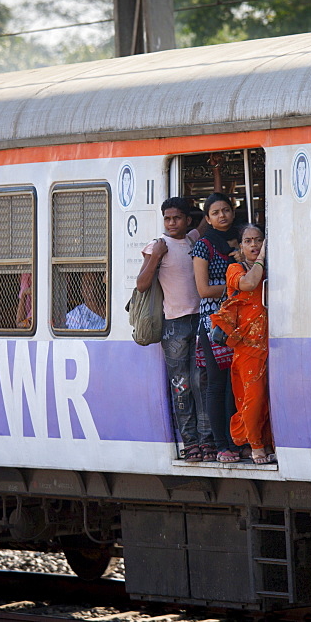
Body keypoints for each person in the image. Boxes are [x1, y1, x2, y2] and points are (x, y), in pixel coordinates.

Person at [136, 197, 213, 462]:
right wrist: (156, 256)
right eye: (167, 218)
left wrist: (218, 178)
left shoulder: (192, 240)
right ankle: (190, 442)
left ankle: (207, 440)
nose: (171, 223)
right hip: (175, 326)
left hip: (200, 320)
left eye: (177, 218)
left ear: (187, 220)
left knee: (200, 382)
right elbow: (142, 284)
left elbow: (207, 219)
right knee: (182, 385)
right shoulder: (158, 246)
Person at [212, 225, 275, 464]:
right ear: (241, 246)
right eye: (248, 241)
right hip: (247, 345)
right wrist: (261, 258)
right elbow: (249, 284)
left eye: (258, 240)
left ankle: (263, 441)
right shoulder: (235, 269)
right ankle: (255, 444)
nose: (254, 245)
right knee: (253, 397)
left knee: (268, 398)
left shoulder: (269, 269)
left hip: (270, 342)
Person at [192, 193, 242, 463]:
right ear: (208, 218)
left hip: (240, 322)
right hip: (214, 323)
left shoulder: (242, 239)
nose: (222, 216)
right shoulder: (204, 245)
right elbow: (203, 290)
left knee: (236, 384)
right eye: (215, 212)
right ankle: (221, 444)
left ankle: (237, 440)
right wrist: (237, 285)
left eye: (226, 210)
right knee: (216, 384)